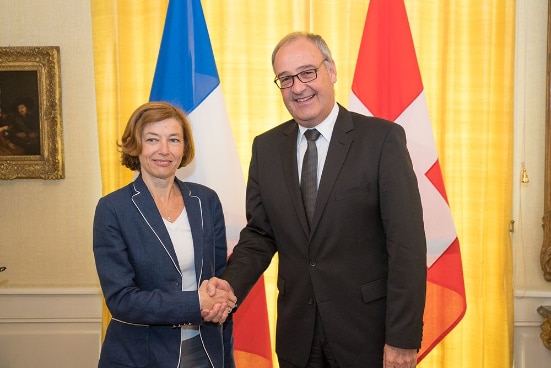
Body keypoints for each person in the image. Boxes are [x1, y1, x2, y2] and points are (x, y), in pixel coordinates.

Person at [206, 32, 427, 368]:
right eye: (286, 78)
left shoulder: (381, 140)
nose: (298, 87)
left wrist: (403, 338)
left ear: (332, 71)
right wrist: (228, 286)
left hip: (368, 336)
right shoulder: (265, 149)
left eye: (308, 72)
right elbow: (261, 236)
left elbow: (406, 246)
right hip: (298, 337)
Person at [93, 101, 237, 368]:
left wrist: (220, 298)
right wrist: (196, 302)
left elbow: (218, 276)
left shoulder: (206, 200)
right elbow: (122, 299)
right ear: (136, 146)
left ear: (184, 148)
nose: (164, 150)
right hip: (140, 355)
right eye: (152, 139)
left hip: (205, 350)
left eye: (173, 140)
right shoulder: (113, 208)